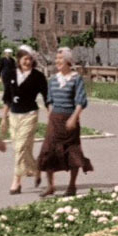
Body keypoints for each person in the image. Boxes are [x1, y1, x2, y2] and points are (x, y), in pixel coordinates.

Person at [37, 47, 93, 197]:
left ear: (68, 61)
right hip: (55, 120)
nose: (57, 62)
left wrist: (74, 118)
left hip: (70, 120)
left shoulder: (76, 79)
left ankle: (72, 186)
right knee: (48, 151)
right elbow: (49, 100)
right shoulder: (53, 79)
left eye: (60, 59)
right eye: (56, 59)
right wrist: (50, 114)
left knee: (72, 152)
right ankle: (50, 186)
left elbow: (81, 101)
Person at [6, 45, 47, 194]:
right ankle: (36, 169)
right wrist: (4, 117)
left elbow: (47, 97)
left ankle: (16, 182)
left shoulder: (38, 76)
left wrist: (51, 114)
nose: (27, 62)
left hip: (30, 114)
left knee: (20, 147)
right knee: (22, 147)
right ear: (18, 59)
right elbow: (7, 97)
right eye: (25, 59)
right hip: (14, 115)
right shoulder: (10, 74)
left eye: (30, 59)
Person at [0, 48, 17, 151]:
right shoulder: (3, 60)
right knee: (7, 88)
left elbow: (14, 68)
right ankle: (7, 99)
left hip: (11, 75)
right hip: (5, 74)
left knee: (11, 87)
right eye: (7, 53)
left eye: (10, 53)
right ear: (5, 53)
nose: (9, 54)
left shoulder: (12, 60)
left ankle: (9, 103)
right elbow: (0, 68)